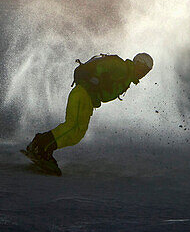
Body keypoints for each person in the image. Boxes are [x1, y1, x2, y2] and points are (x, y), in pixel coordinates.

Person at [23, 52, 154, 174]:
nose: (143, 74)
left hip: (87, 98)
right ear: (136, 63)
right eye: (142, 69)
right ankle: (42, 148)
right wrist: (97, 79)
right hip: (83, 93)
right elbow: (101, 66)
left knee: (77, 133)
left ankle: (39, 144)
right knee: (73, 127)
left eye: (146, 72)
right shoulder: (122, 67)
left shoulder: (127, 76)